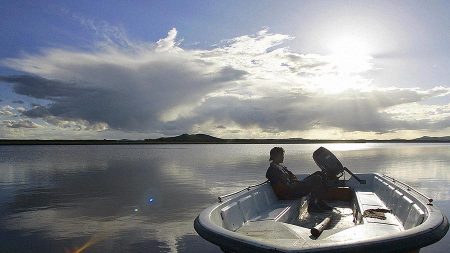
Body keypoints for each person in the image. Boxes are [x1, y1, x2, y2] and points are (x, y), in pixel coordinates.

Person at [266, 147, 332, 212]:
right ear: (275, 156)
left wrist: (295, 182)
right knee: (316, 178)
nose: (283, 157)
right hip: (290, 193)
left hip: (293, 187)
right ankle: (312, 206)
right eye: (281, 155)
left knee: (319, 173)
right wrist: (294, 184)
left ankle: (319, 201)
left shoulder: (280, 167)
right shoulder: (273, 170)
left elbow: (292, 176)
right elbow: (280, 187)